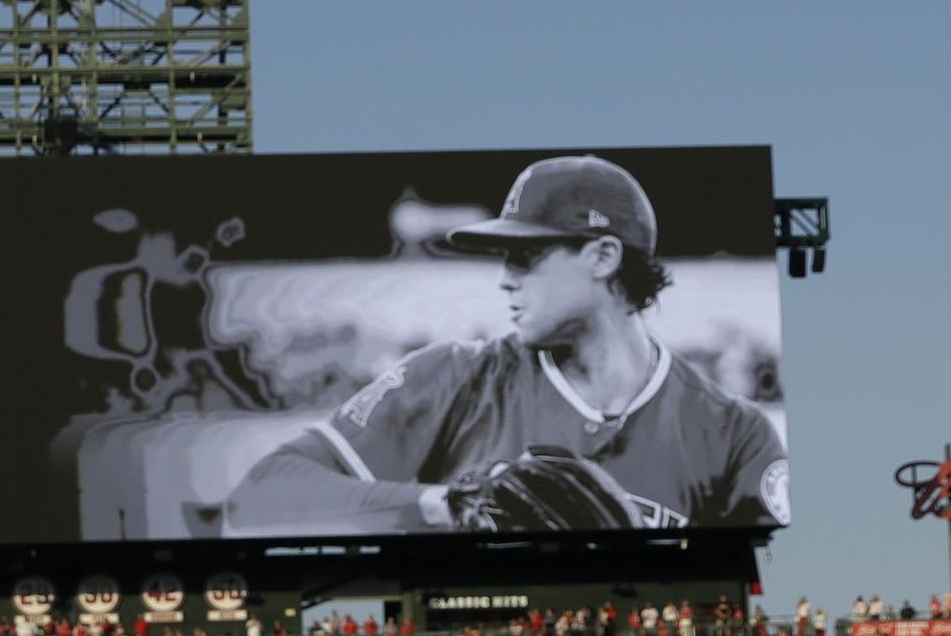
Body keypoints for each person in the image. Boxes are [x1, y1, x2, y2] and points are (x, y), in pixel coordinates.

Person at [225, 156, 787, 537]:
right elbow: (257, 500)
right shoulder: (455, 377)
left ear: (602, 257)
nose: (505, 279)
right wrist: (442, 506)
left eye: (526, 256)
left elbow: (768, 579)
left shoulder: (734, 434)